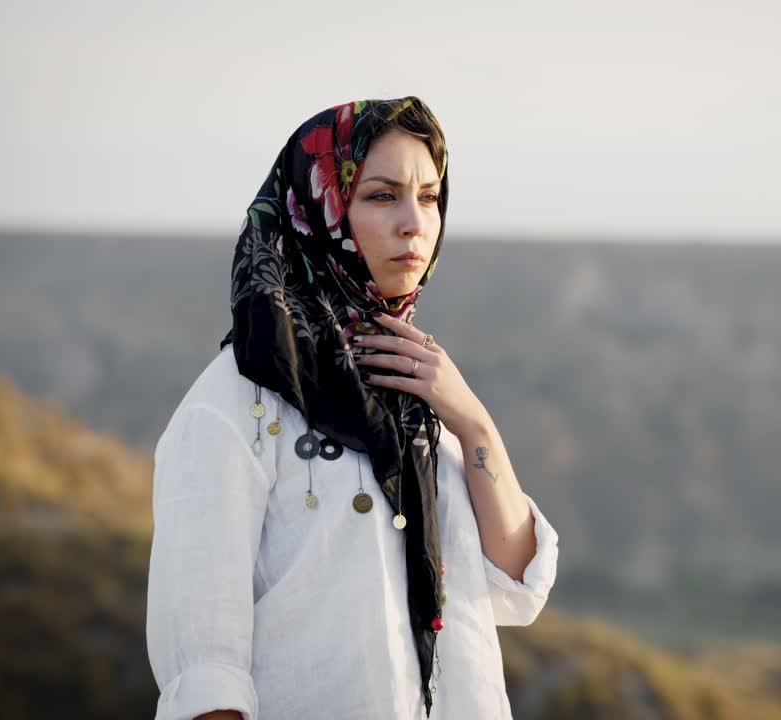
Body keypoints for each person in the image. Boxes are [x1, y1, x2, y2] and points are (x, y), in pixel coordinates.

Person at [145, 96, 559, 720]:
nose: (415, 223)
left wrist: (473, 420)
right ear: (320, 211)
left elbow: (514, 583)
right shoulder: (234, 404)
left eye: (429, 196)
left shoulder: (424, 398)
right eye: (382, 195)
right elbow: (205, 668)